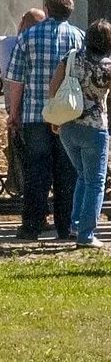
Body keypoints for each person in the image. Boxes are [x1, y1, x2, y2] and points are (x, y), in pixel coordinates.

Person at [13, 0, 85, 244]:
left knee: (36, 172)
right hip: (68, 113)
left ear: (47, 9)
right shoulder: (79, 37)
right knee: (67, 171)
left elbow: (17, 80)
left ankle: (32, 225)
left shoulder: (28, 37)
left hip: (35, 113)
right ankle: (66, 226)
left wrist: (13, 111)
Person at [65, 21, 111, 250]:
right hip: (94, 127)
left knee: (82, 175)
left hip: (68, 124)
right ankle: (86, 233)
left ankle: (75, 224)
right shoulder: (107, 66)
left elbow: (54, 87)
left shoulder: (72, 58)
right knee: (95, 181)